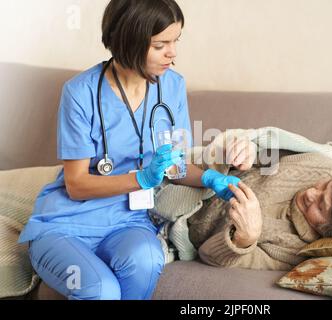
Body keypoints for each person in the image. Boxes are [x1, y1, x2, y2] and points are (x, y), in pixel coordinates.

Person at [18, 0, 245, 300]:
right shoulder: (80, 92)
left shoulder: (172, 87)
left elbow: (174, 168)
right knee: (102, 290)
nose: (173, 53)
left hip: (128, 221)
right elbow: (76, 185)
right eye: (160, 44)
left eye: (176, 41)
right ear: (129, 40)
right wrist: (142, 178)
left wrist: (210, 179)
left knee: (146, 260)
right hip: (67, 224)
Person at [188, 151, 332, 271]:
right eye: (325, 185)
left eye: (321, 206)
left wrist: (243, 241)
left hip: (183, 219)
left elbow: (207, 255)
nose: (312, 193)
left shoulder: (295, 250)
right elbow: (264, 148)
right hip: (192, 167)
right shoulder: (321, 164)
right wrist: (247, 152)